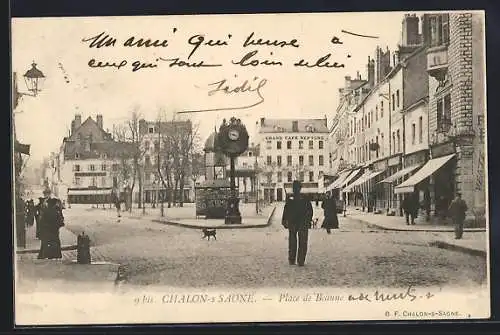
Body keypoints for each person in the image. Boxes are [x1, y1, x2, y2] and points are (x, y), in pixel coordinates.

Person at [282, 180, 313, 267]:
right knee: (301, 241)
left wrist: (284, 221)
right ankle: (300, 260)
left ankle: (292, 259)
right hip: (300, 222)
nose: (295, 189)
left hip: (295, 222)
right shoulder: (304, 198)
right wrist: (308, 220)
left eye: (295, 188)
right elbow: (310, 211)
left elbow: (286, 211)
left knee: (293, 241)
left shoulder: (291, 199)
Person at [37, 188, 64, 259]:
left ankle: (51, 255)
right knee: (47, 241)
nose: (46, 195)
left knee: (51, 241)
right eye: (45, 194)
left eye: (47, 193)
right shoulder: (43, 202)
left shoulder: (52, 202)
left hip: (51, 226)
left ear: (49, 194)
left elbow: (58, 212)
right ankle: (46, 255)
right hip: (48, 226)